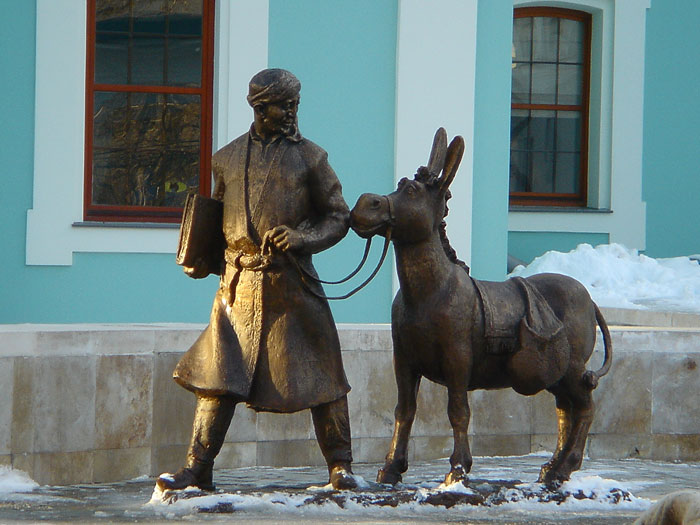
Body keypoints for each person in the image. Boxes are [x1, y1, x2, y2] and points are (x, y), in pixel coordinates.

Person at [157, 68, 356, 492]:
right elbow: (217, 216)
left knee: (324, 376)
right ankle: (198, 469)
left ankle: (341, 467)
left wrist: (302, 237)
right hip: (237, 289)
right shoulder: (226, 158)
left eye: (295, 105)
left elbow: (339, 217)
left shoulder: (312, 158)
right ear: (260, 108)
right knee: (217, 378)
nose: (292, 113)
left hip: (293, 286)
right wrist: (200, 256)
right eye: (285, 105)